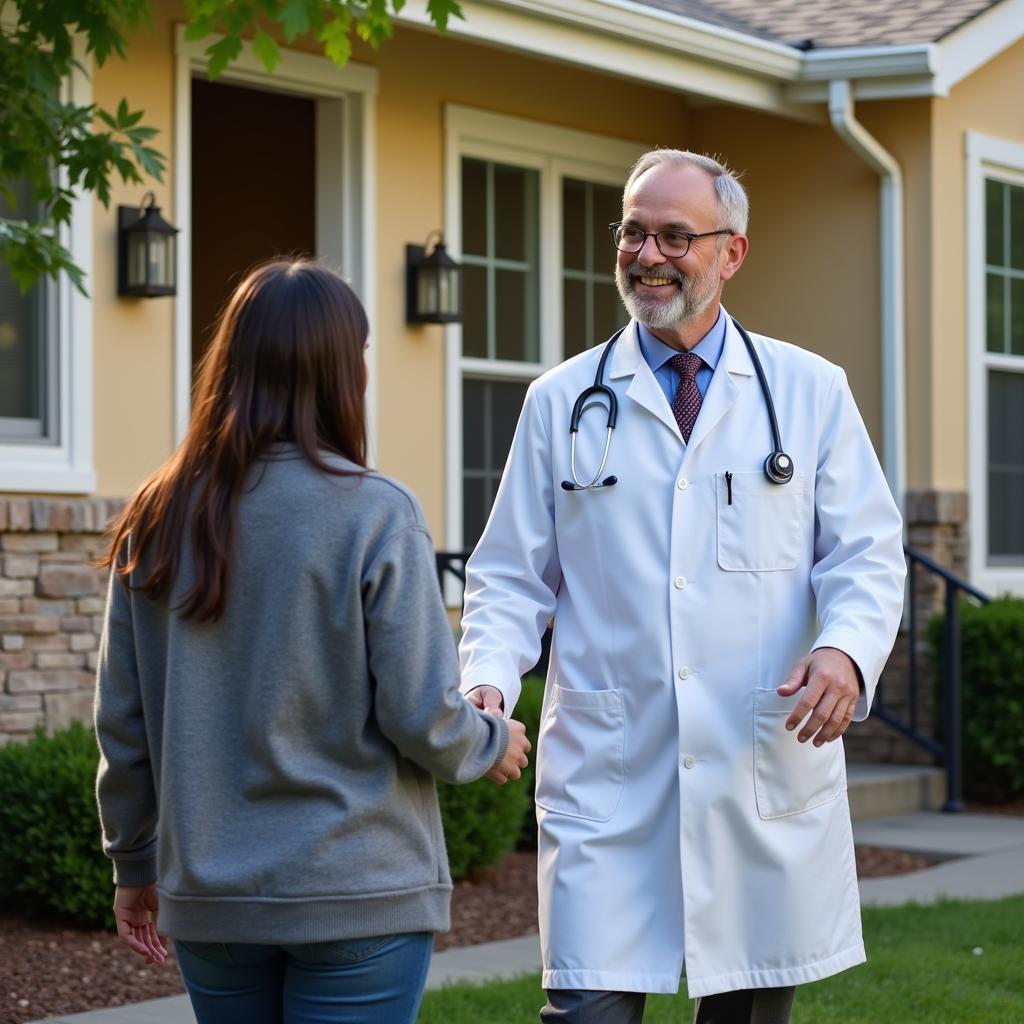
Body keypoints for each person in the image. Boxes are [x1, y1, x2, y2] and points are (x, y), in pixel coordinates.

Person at [460, 150, 906, 1024]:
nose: (647, 254)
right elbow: (510, 575)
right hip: (609, 770)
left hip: (754, 762)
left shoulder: (809, 392)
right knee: (586, 1011)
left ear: (731, 252)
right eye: (632, 231)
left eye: (675, 235)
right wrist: (487, 679)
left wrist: (846, 652)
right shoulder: (561, 401)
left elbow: (867, 555)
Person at [93, 258, 531, 1024]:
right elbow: (420, 712)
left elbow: (123, 726)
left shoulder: (155, 516)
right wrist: (490, 742)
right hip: (358, 895)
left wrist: (132, 863)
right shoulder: (375, 512)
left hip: (213, 901)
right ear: (340, 371)